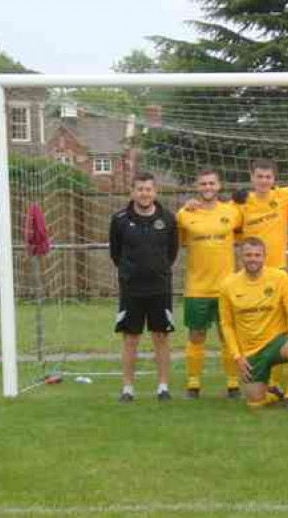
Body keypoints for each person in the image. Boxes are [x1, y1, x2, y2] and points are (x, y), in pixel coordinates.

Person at [109, 172, 179, 403]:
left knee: (161, 337)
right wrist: (131, 272)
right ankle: (128, 388)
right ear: (132, 192)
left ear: (155, 192)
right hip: (132, 289)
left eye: (148, 189)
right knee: (131, 338)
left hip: (160, 288)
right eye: (140, 189)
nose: (144, 193)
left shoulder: (168, 219)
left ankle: (163, 387)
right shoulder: (119, 219)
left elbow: (172, 253)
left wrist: (157, 270)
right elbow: (116, 254)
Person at [176, 170, 242, 399]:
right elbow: (177, 240)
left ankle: (233, 384)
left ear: (219, 185)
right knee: (196, 335)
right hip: (197, 288)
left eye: (211, 183)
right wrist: (183, 207)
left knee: (228, 336)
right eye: (203, 183)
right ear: (197, 186)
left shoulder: (232, 213)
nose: (207, 187)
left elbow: (243, 235)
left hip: (226, 288)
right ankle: (193, 385)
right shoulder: (185, 214)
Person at [218, 237, 288, 409]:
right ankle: (272, 395)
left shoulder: (279, 277)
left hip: (276, 342)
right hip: (251, 351)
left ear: (264, 257)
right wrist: (237, 356)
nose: (253, 259)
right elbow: (226, 325)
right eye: (248, 255)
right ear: (241, 258)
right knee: (255, 403)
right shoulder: (228, 284)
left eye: (257, 255)